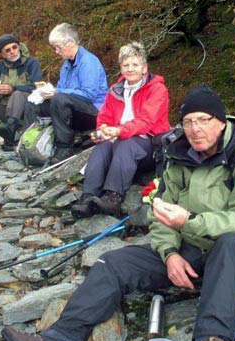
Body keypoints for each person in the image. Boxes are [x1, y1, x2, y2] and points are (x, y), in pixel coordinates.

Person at [1, 84, 235, 341]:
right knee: (113, 262)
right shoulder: (179, 153)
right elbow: (161, 212)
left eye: (204, 120)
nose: (195, 129)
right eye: (188, 121)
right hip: (190, 245)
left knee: (230, 242)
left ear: (221, 121)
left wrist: (191, 221)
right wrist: (170, 253)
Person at [70, 41, 170, 218]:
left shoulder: (157, 90)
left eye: (135, 64)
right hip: (119, 138)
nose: (130, 69)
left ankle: (113, 197)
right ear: (121, 69)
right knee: (102, 147)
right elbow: (104, 116)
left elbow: (146, 121)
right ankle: (88, 197)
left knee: (126, 144)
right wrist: (103, 130)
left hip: (150, 144)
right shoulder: (115, 90)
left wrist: (118, 131)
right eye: (126, 65)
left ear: (144, 68)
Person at [22, 23, 108, 162]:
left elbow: (89, 94)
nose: (56, 51)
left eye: (58, 47)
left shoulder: (88, 61)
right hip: (71, 107)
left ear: (71, 42)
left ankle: (64, 148)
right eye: (54, 48)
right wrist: (46, 90)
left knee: (59, 99)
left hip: (94, 112)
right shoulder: (66, 65)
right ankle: (29, 144)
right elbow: (61, 90)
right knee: (33, 102)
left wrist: (57, 92)